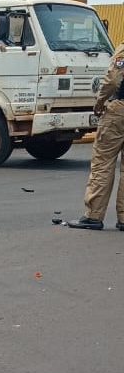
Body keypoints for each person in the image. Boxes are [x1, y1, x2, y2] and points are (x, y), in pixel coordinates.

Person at [68, 41, 124, 231]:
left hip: (119, 111)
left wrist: (100, 101)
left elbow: (114, 79)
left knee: (103, 163)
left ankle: (93, 216)